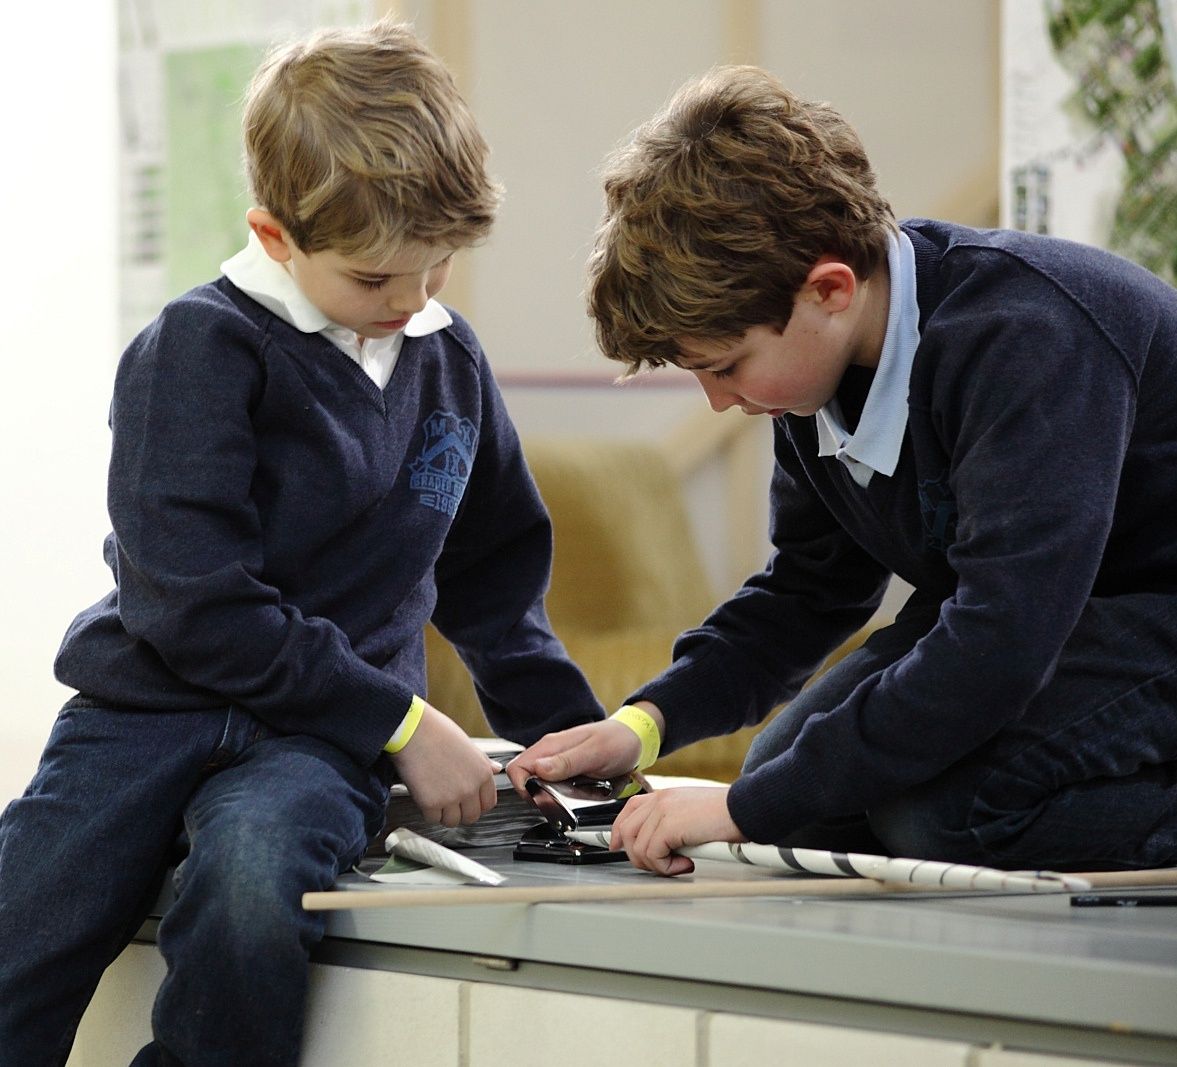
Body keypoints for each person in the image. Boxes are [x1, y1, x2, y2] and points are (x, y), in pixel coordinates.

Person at [0, 18, 603, 1067]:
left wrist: (577, 757)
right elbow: (193, 602)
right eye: (373, 279)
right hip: (146, 713)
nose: (409, 300)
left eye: (436, 266)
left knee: (249, 882)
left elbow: (496, 583)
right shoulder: (196, 348)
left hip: (316, 745)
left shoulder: (449, 360)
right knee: (22, 927)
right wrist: (403, 720)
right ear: (274, 235)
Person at [507, 64, 1177, 879]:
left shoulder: (1026, 337)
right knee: (795, 785)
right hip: (1056, 619)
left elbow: (1001, 638)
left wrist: (739, 810)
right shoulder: (811, 381)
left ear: (828, 289)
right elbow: (807, 593)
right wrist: (643, 724)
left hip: (1134, 612)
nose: (719, 402)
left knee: (942, 812)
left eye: (726, 365)